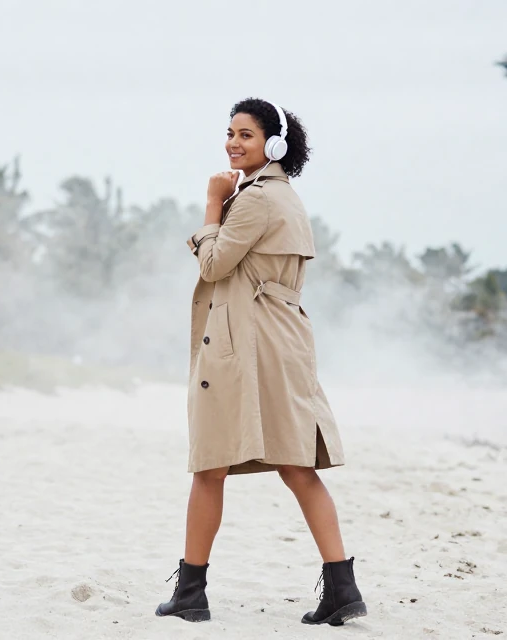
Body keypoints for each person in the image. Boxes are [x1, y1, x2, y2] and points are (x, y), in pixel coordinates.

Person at [155, 98, 366, 626]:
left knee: (209, 465)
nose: (232, 143)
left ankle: (190, 592)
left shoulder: (254, 200)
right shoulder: (286, 198)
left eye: (245, 135)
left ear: (274, 143)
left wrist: (211, 203)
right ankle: (342, 586)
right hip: (281, 339)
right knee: (296, 466)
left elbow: (213, 263)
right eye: (229, 133)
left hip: (246, 342)